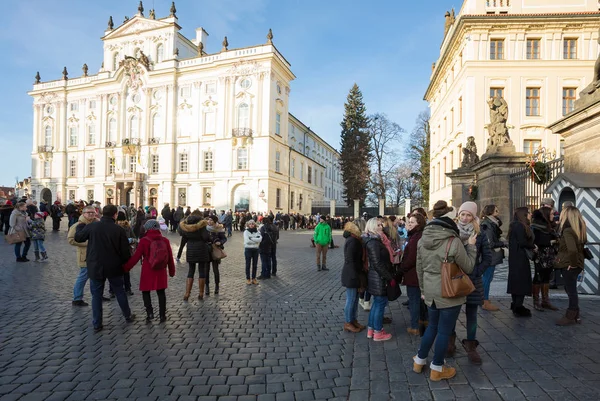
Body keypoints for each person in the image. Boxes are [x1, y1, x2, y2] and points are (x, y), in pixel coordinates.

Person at [413, 201, 477, 381]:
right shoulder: (453, 241)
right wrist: (471, 246)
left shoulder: (422, 239)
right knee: (444, 331)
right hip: (449, 292)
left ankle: (419, 361)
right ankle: (437, 368)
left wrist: (423, 290)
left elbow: (419, 268)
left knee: (432, 327)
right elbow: (469, 266)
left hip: (431, 291)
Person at [74, 204, 136, 332]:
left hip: (95, 265)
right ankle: (127, 315)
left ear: (100, 213)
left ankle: (97, 323)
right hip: (114, 266)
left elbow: (78, 237)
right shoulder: (118, 229)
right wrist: (125, 264)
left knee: (96, 295)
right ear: (115, 215)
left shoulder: (91, 227)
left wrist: (80, 225)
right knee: (119, 291)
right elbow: (125, 252)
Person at [450, 201, 491, 365]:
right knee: (452, 312)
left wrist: (476, 271)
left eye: (468, 215)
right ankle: (449, 341)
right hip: (454, 278)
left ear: (473, 217)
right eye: (463, 214)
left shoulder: (479, 233)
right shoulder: (452, 232)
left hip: (473, 280)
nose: (465, 218)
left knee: (472, 314)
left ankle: (471, 344)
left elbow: (487, 258)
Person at [124, 220, 176, 323]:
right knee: (161, 292)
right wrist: (172, 271)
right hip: (161, 269)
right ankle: (162, 315)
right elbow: (170, 257)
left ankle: (150, 313)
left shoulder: (144, 240)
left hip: (148, 269)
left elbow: (136, 257)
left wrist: (126, 267)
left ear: (147, 228)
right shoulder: (165, 240)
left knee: (146, 291)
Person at [362, 218, 394, 341]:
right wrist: (389, 277)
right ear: (371, 227)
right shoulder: (373, 242)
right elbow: (377, 263)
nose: (381, 227)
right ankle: (378, 332)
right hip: (379, 277)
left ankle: (371, 330)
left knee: (376, 304)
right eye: (378, 225)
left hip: (376, 276)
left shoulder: (374, 240)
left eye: (381, 224)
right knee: (380, 304)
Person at [555, 206, 587, 326]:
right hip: (578, 262)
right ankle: (576, 314)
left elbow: (572, 250)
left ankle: (571, 315)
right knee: (571, 289)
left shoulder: (568, 230)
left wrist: (572, 265)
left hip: (569, 263)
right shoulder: (580, 228)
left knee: (571, 290)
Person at [401, 213, 426, 335]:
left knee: (414, 300)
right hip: (415, 273)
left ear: (419, 224)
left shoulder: (416, 237)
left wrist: (402, 267)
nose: (409, 224)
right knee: (418, 300)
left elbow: (412, 258)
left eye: (412, 222)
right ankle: (423, 320)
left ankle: (415, 326)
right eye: (409, 222)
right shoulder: (415, 235)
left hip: (413, 273)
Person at [507, 207, 535, 317]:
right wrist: (533, 246)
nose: (530, 214)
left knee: (517, 281)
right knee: (521, 281)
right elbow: (522, 242)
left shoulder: (515, 225)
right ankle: (518, 305)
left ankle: (516, 304)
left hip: (516, 257)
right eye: (528, 213)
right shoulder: (519, 226)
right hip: (519, 257)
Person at [68, 206, 98, 306]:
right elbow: (71, 239)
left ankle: (97, 295)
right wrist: (88, 243)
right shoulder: (78, 225)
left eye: (93, 213)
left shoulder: (98, 224)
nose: (91, 214)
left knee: (96, 277)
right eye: (89, 212)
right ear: (83, 213)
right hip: (84, 256)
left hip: (98, 255)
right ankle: (77, 298)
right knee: (83, 277)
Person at [531, 207, 559, 311]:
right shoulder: (536, 226)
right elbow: (537, 241)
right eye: (551, 214)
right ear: (546, 215)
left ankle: (545, 301)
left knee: (547, 276)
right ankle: (536, 301)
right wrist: (550, 241)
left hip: (549, 254)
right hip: (540, 255)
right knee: (538, 276)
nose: (553, 216)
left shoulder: (550, 226)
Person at [479, 205, 506, 311]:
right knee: (487, 278)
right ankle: (484, 300)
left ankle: (484, 299)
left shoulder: (492, 223)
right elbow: (490, 243)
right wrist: (502, 243)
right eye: (496, 210)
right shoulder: (488, 224)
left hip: (491, 255)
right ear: (491, 212)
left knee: (488, 278)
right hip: (489, 255)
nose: (498, 212)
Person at [341, 221, 366, 333]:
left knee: (355, 299)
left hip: (354, 272)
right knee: (351, 299)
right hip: (352, 274)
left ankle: (353, 320)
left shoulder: (354, 239)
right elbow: (350, 260)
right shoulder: (353, 241)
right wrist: (355, 276)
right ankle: (348, 322)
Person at [178, 214, 210, 301]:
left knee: (191, 271)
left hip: (191, 249)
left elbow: (184, 238)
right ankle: (201, 293)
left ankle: (187, 293)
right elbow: (206, 237)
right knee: (201, 270)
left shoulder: (186, 228)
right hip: (201, 249)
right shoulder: (201, 227)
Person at [206, 216, 227, 295]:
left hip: (216, 250)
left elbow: (224, 238)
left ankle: (217, 286)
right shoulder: (205, 229)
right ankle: (207, 286)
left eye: (211, 220)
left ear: (215, 221)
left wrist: (220, 242)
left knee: (215, 270)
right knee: (206, 270)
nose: (209, 221)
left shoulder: (219, 229)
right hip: (207, 251)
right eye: (209, 219)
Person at [115, 211, 135, 296]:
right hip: (115, 252)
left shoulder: (128, 227)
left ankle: (128, 288)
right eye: (120, 220)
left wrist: (131, 240)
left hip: (126, 252)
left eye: (123, 220)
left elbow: (134, 238)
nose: (121, 222)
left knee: (126, 271)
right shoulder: (114, 227)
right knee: (115, 272)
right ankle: (113, 290)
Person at [243, 220, 262, 285]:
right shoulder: (246, 232)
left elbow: (260, 239)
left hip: (256, 249)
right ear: (248, 225)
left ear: (254, 225)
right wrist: (255, 239)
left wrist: (251, 238)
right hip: (248, 249)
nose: (251, 225)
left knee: (255, 265)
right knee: (248, 264)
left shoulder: (257, 231)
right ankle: (248, 278)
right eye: (250, 224)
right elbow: (247, 241)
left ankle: (254, 278)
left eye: (252, 224)